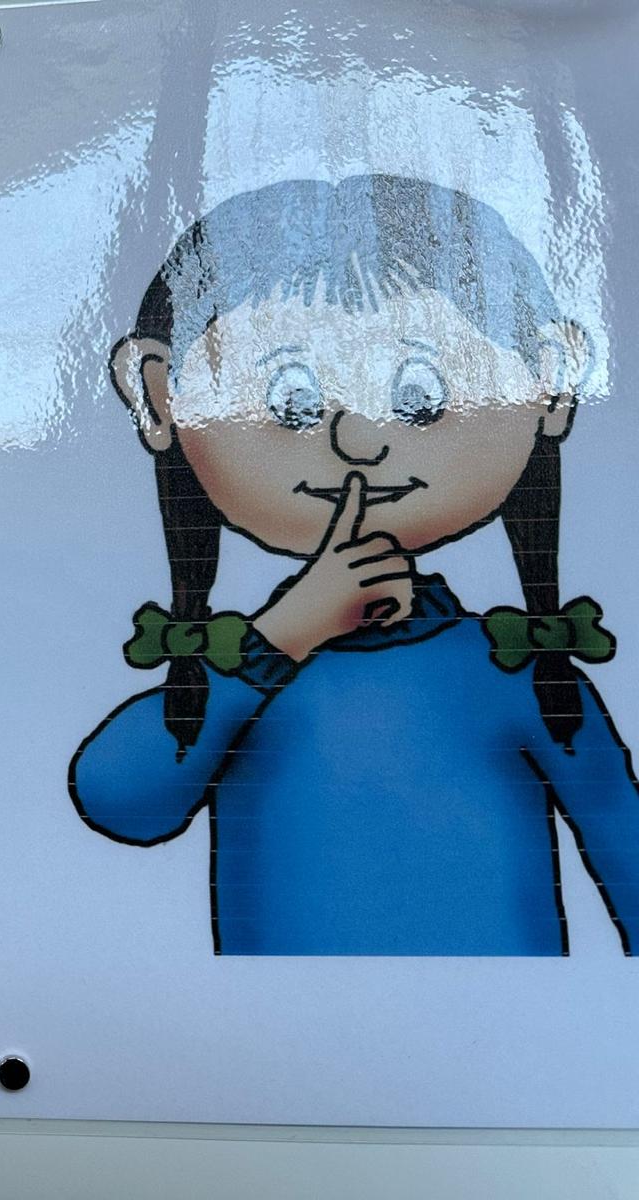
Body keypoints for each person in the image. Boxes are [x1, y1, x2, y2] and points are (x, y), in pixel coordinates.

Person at [68, 175, 639, 955]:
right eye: (294, 403)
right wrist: (278, 639)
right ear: (159, 395)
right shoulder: (233, 684)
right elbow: (120, 800)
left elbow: (625, 848)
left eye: (421, 396)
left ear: (548, 379)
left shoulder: (522, 670)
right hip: (271, 1034)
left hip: (499, 1026)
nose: (359, 442)